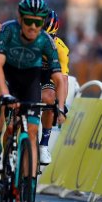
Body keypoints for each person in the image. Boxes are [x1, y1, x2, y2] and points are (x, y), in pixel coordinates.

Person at [0, 0, 67, 202]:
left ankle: (29, 196)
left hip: (30, 81)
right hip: (8, 77)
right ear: (20, 19)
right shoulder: (9, 31)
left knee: (31, 134)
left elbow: (59, 78)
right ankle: (0, 154)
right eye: (28, 21)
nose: (33, 27)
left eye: (38, 23)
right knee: (4, 112)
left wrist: (60, 106)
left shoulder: (48, 42)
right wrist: (4, 94)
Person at [39, 10, 70, 165]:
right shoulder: (26, 38)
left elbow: (63, 80)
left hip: (48, 76)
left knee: (50, 99)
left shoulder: (61, 49)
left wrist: (61, 107)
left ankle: (44, 144)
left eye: (49, 38)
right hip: (28, 72)